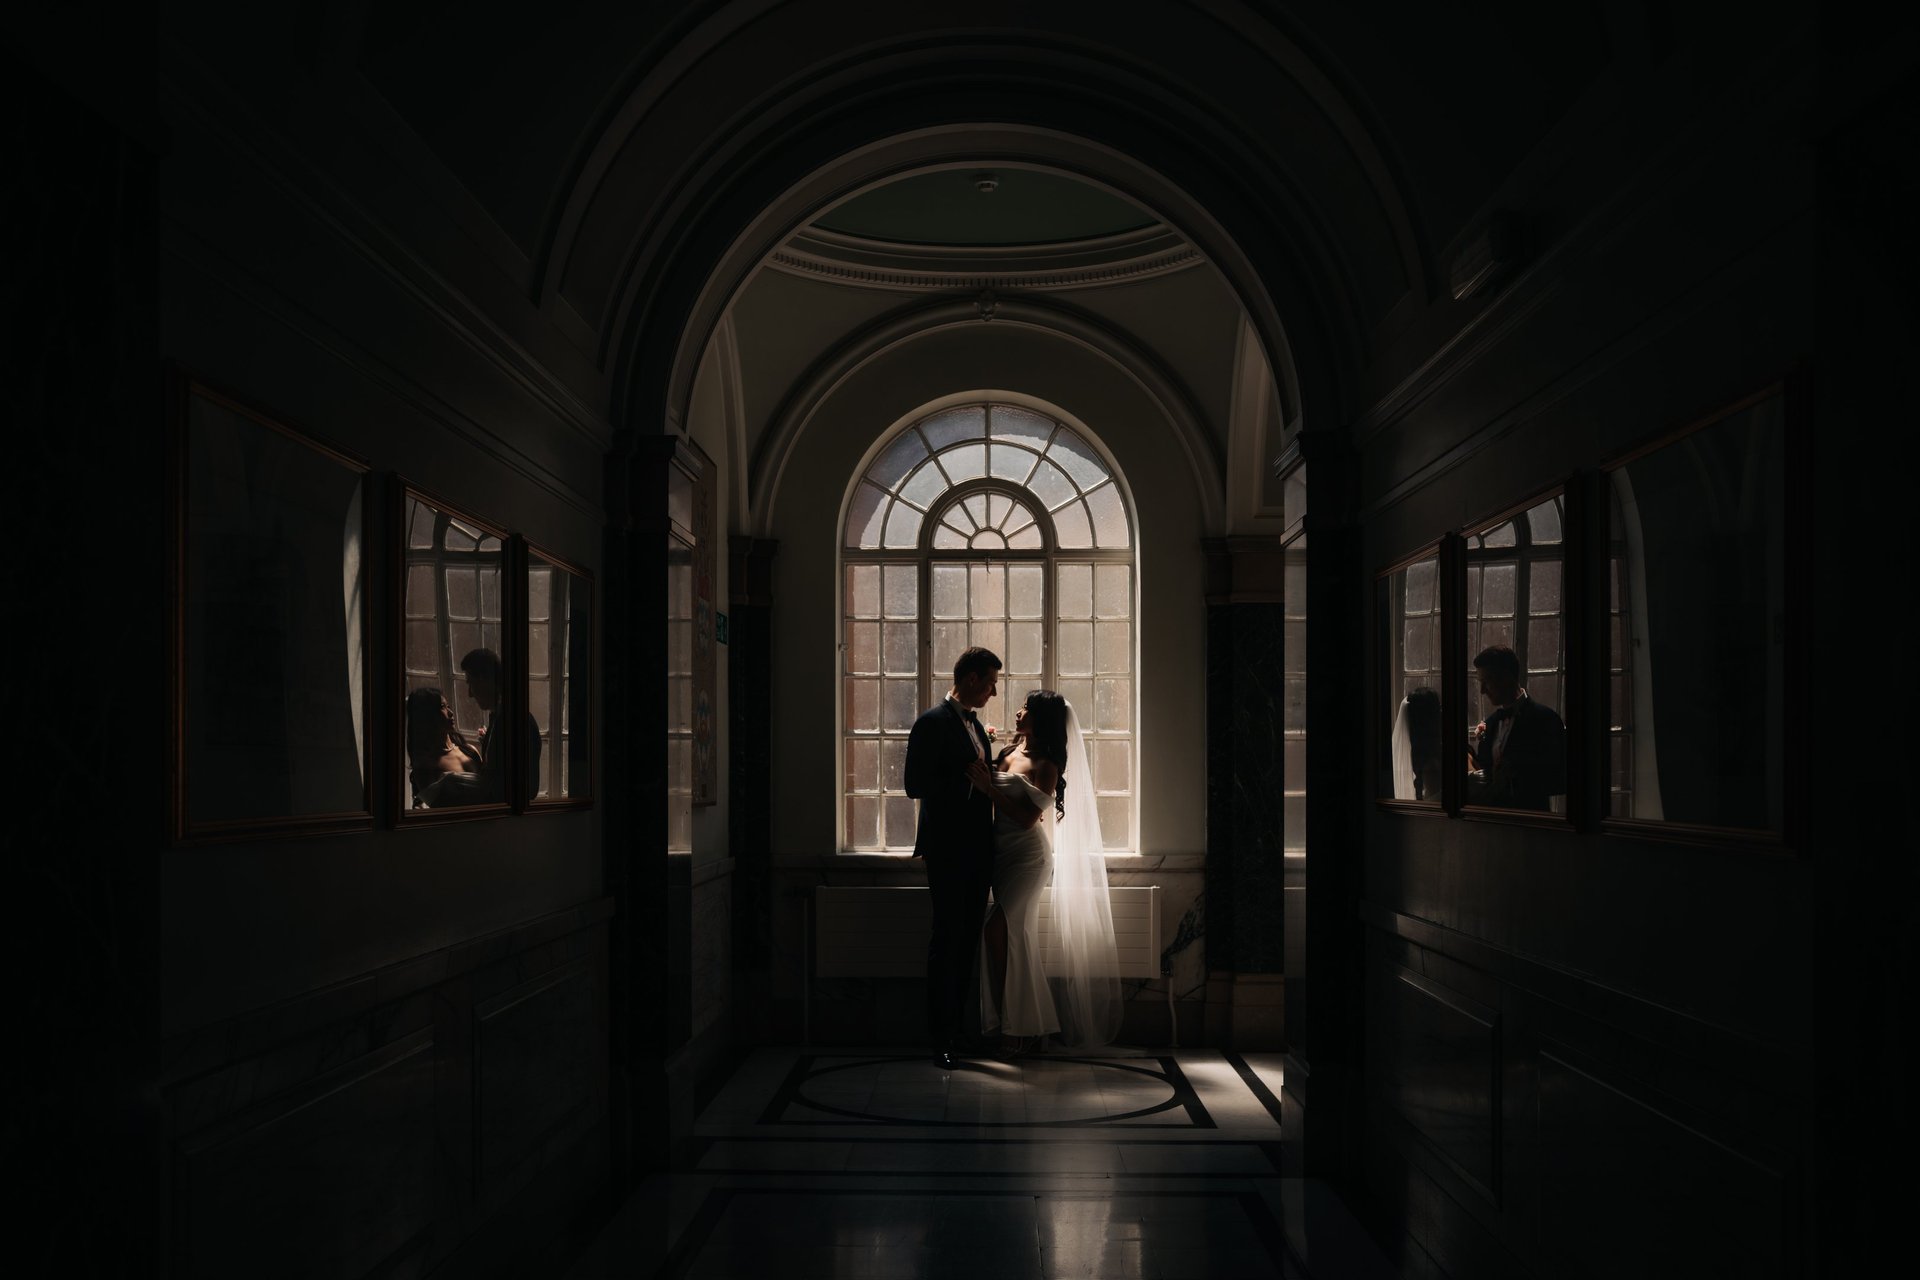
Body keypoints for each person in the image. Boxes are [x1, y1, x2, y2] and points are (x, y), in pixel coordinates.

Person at [971, 690, 1121, 1054]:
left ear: (1043, 720)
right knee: (1011, 939)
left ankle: (1016, 1026)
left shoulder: (1047, 765)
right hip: (1001, 856)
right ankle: (1025, 1026)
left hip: (1029, 858)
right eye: (1022, 706)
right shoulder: (1006, 752)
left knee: (998, 930)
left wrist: (990, 789)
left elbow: (1026, 819)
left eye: (1029, 709)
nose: (1019, 712)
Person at [904, 646, 1000, 1069]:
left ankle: (960, 1031)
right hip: (947, 848)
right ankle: (939, 1037)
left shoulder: (975, 725)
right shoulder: (931, 723)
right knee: (947, 939)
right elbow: (914, 784)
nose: (994, 693)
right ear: (973, 679)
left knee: (967, 942)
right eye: (991, 683)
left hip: (980, 848)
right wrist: (969, 782)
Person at [1466, 644, 1566, 810]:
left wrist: (1519, 777)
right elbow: (1486, 771)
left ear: (1506, 677)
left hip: (1530, 821)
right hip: (1494, 823)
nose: (1482, 691)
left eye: (1487, 681)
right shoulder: (1491, 723)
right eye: (1480, 683)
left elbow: (1561, 778)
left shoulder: (1545, 719)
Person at [460, 648, 542, 804]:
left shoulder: (511, 720)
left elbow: (526, 788)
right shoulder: (501, 716)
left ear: (485, 679)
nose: (470, 694)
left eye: (471, 683)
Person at [405, 686, 483, 808]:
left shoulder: (469, 750)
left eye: (448, 706)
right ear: (426, 716)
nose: (451, 713)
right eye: (442, 707)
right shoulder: (426, 767)